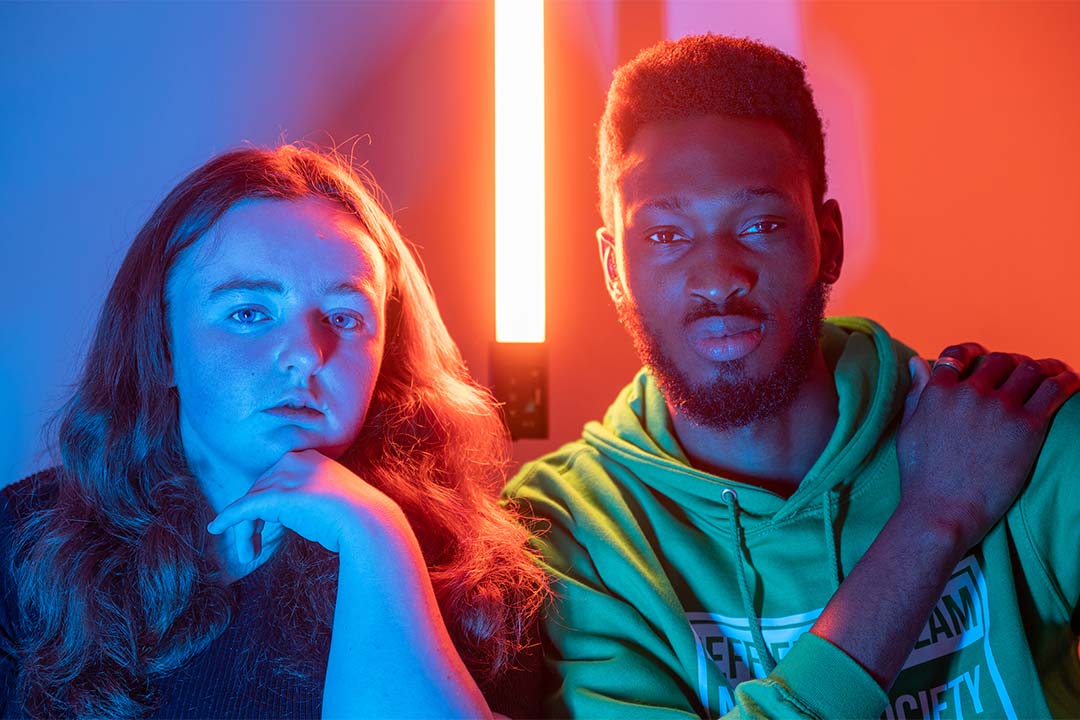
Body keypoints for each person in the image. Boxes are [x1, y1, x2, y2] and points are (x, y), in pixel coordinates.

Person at [503, 35, 1080, 719]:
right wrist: (933, 519)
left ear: (826, 242)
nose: (718, 277)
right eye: (666, 234)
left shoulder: (1003, 430)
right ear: (611, 269)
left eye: (761, 223)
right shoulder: (568, 529)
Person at [0, 145, 547, 718]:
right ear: (161, 346)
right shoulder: (26, 542)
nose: (306, 355)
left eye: (344, 317)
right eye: (248, 313)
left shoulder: (478, 583)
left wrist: (377, 539)